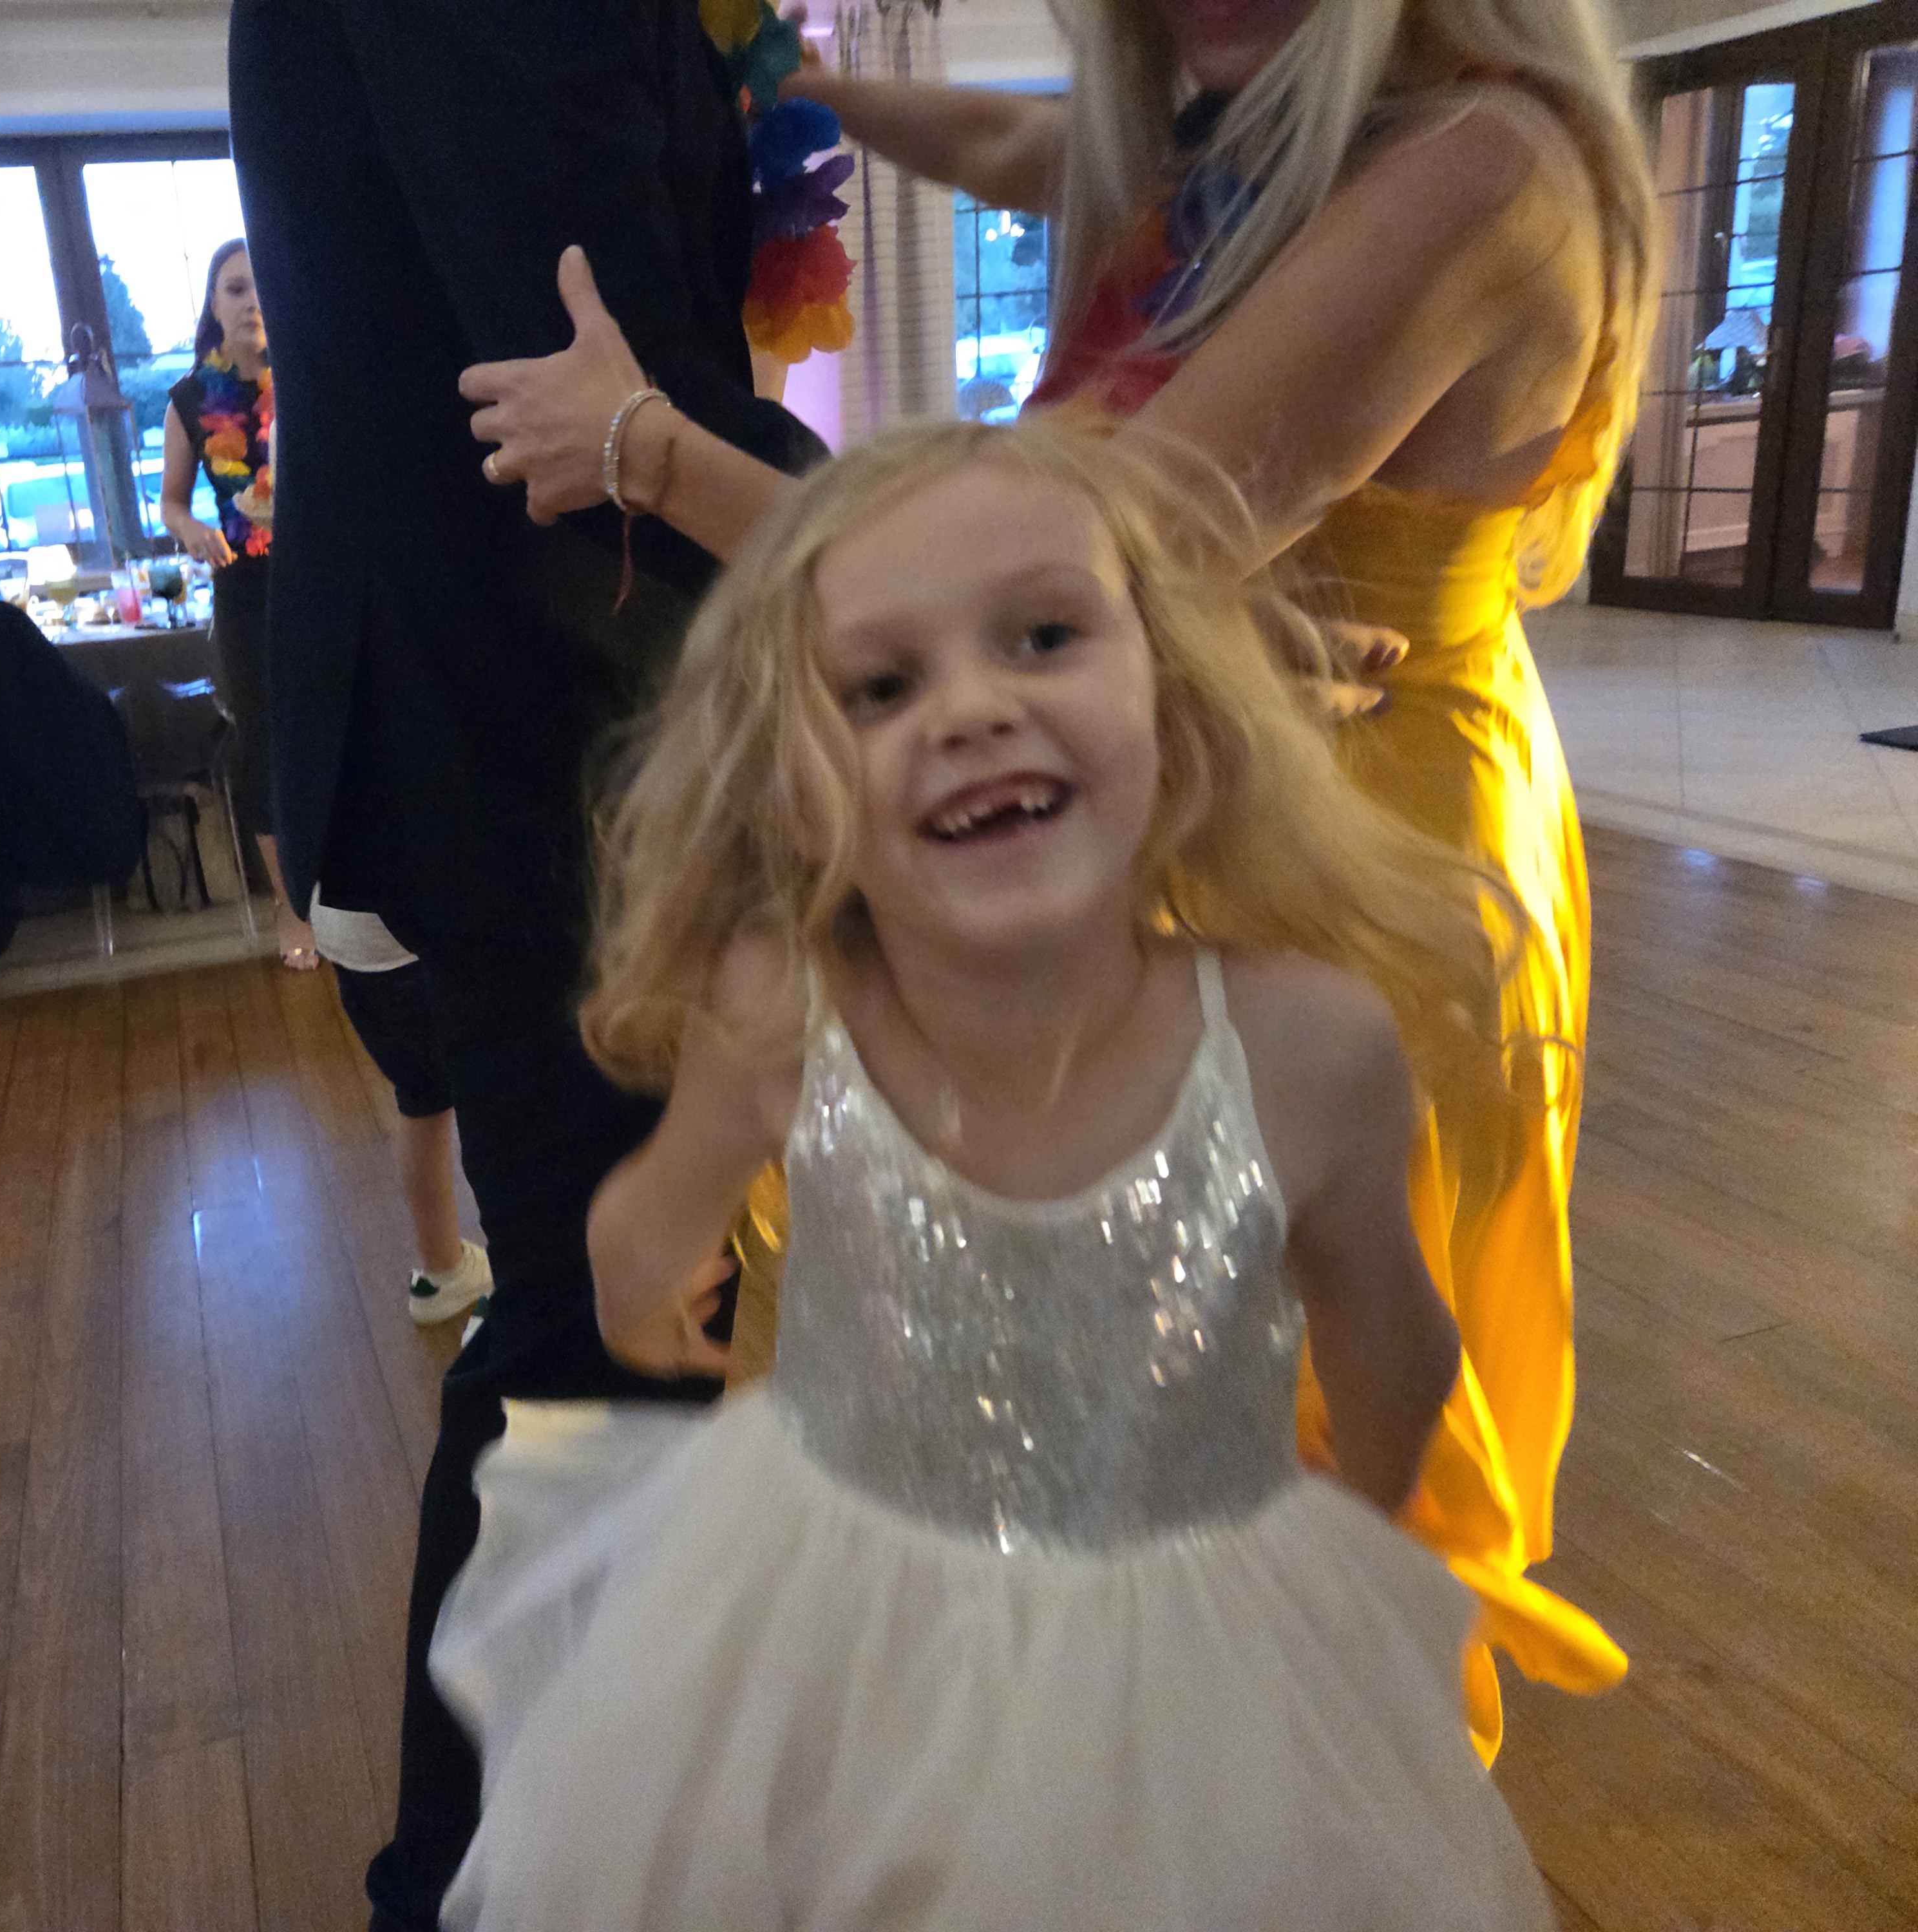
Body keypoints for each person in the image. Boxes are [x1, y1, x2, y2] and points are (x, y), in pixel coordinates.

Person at [459, 0, 1652, 1753]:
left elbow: (1059, 565)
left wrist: (644, 447)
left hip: (1363, 848)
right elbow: (1020, 147)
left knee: (1270, 1417)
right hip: (1199, 806)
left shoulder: (1475, 171)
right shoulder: (1246, 140)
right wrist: (800, 84)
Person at [435, 417, 1554, 1927]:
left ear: (1171, 690)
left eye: (1041, 636)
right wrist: (647, 1292)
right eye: (880, 686)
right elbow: (651, 1216)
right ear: (790, 776)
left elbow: (1395, 1335)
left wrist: (1342, 1544)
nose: (969, 709)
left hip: (1186, 1653)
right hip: (847, 1627)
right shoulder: (785, 1014)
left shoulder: (1307, 1046)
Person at [228, 2, 830, 1920]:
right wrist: (939, 545)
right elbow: (586, 356)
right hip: (533, 730)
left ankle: (575, 1835)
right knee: (596, 1333)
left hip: (510, 713)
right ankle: (471, 1879)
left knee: (614, 1314)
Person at [158, 240, 318, 969]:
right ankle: (291, 908)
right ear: (214, 307)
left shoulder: (314, 375)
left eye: (262, 286)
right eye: (235, 288)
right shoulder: (191, 400)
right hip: (247, 586)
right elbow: (170, 502)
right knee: (264, 745)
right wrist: (190, 528)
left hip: (324, 575)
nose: (252, 300)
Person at [310, 892, 495, 1327]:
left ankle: (444, 1271)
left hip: (348, 939)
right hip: (412, 940)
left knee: (422, 1099)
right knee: (494, 1104)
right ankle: (523, 1285)